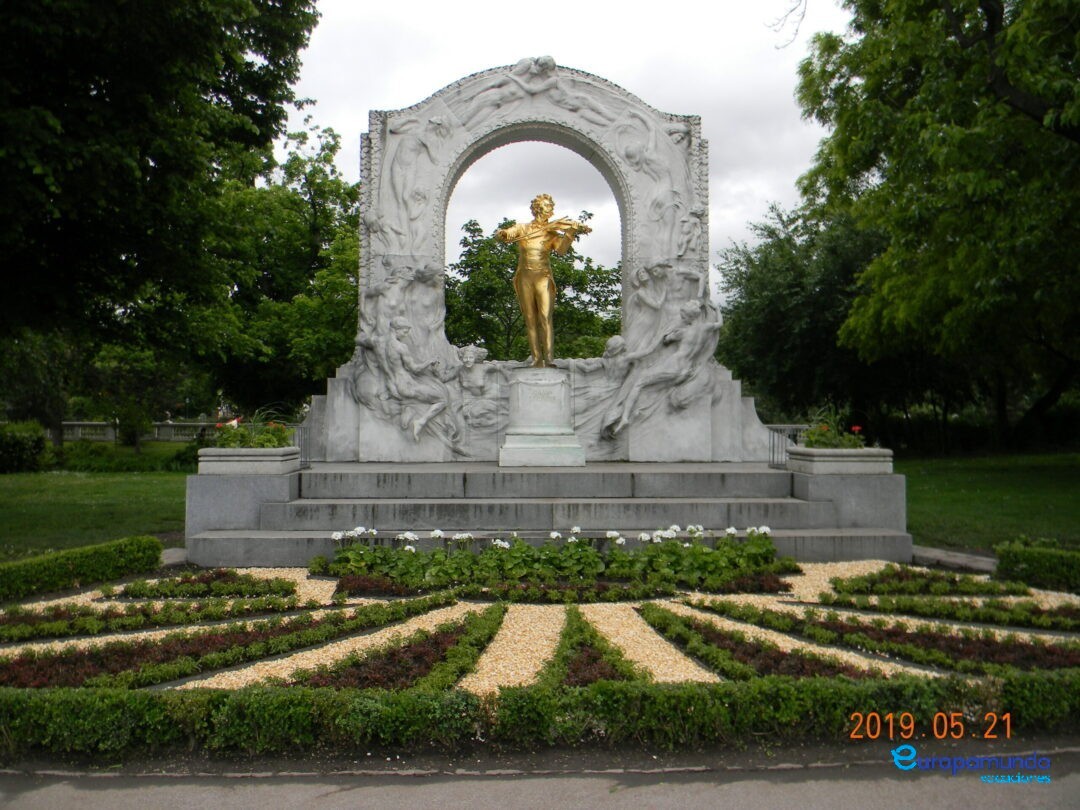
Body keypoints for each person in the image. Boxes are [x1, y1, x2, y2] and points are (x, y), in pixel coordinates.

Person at [495, 193, 591, 368]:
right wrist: (501, 233)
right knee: (530, 318)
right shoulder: (522, 228)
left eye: (551, 207)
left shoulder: (551, 232)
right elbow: (507, 235)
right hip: (525, 277)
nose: (551, 210)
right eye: (548, 206)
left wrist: (570, 231)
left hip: (543, 277)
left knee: (545, 317)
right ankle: (536, 358)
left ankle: (549, 358)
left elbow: (561, 250)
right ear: (538, 208)